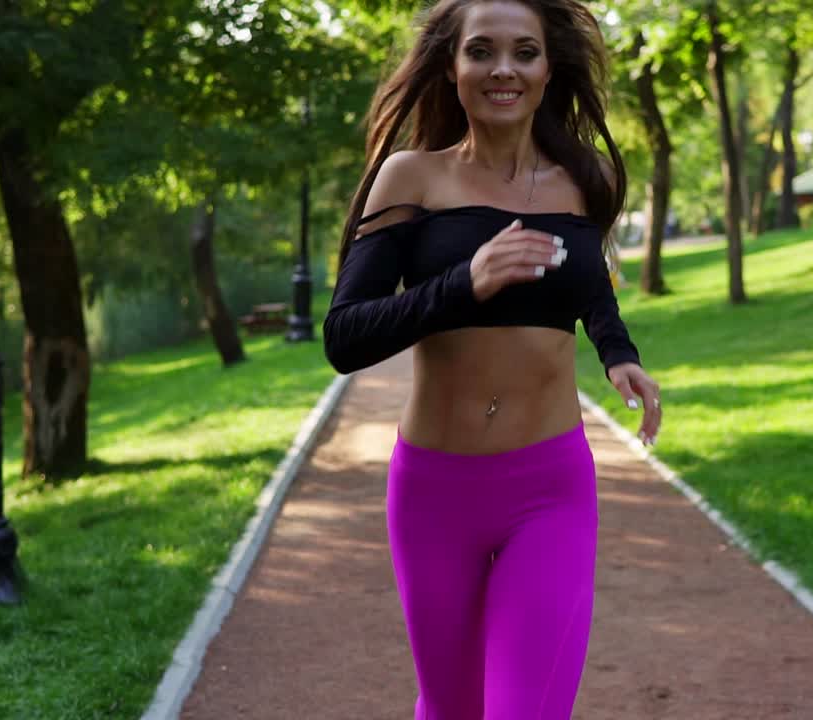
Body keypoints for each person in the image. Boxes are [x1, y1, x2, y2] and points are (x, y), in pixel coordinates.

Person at [322, 0, 661, 718]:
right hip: (433, 494)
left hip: (549, 487)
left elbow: (587, 281)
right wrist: (463, 283)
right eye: (481, 51)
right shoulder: (410, 178)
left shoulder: (583, 178)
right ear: (452, 69)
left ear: (547, 70)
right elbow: (346, 336)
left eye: (524, 52)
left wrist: (617, 353)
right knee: (451, 708)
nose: (502, 68)